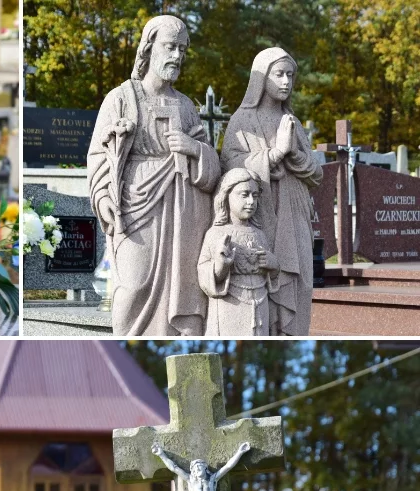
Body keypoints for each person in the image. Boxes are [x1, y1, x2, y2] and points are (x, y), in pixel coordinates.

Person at [87, 14, 221, 336]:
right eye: (171, 47)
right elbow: (97, 156)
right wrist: (104, 197)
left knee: (182, 283)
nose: (177, 56)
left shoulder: (187, 106)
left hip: (183, 212)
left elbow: (212, 170)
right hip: (135, 206)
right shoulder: (121, 99)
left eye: (183, 50)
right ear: (149, 49)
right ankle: (128, 344)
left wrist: (192, 147)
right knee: (133, 284)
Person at [220, 47, 324, 335]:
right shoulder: (242, 120)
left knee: (300, 280)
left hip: (296, 213)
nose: (286, 81)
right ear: (262, 78)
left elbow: (316, 173)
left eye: (290, 75)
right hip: (261, 213)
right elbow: (230, 167)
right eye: (278, 74)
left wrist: (292, 154)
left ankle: (293, 336)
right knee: (265, 281)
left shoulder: (292, 122)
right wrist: (274, 154)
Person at [198, 169, 280, 335]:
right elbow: (203, 271)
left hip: (260, 305)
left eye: (255, 196)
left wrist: (274, 265)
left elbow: (271, 275)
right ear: (227, 196)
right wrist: (220, 266)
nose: (251, 201)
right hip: (229, 307)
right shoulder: (216, 233)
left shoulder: (260, 234)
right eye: (244, 194)